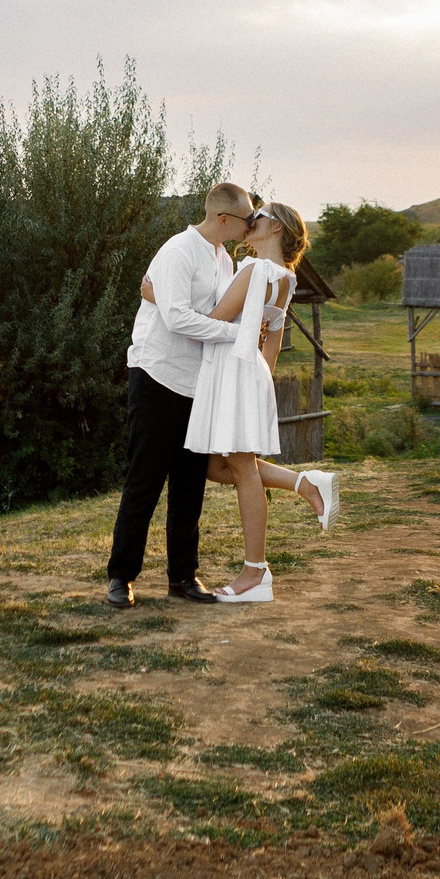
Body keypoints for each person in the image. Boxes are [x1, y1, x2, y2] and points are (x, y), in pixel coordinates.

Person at [171, 203, 337, 604]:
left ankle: (255, 571)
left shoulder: (254, 270)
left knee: (241, 467)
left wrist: (158, 294)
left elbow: (210, 322)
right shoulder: (286, 278)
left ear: (275, 227)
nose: (251, 222)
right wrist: (259, 380)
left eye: (257, 217)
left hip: (235, 370)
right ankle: (304, 482)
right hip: (250, 372)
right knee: (215, 465)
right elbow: (274, 338)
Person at [105, 182, 259, 607]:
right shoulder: (178, 250)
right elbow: (175, 319)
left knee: (190, 483)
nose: (252, 224)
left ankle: (183, 578)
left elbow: (209, 313)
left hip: (199, 382)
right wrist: (234, 334)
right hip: (157, 376)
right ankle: (121, 577)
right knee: (145, 479)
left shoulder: (225, 260)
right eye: (247, 218)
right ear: (224, 219)